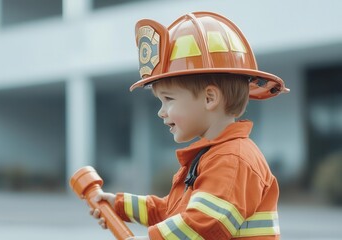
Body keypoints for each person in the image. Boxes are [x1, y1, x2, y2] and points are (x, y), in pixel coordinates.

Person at [90, 11, 289, 240]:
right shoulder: (212, 156)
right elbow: (170, 211)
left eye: (169, 99)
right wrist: (119, 205)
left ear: (209, 99)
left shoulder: (233, 159)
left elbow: (203, 224)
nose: (161, 111)